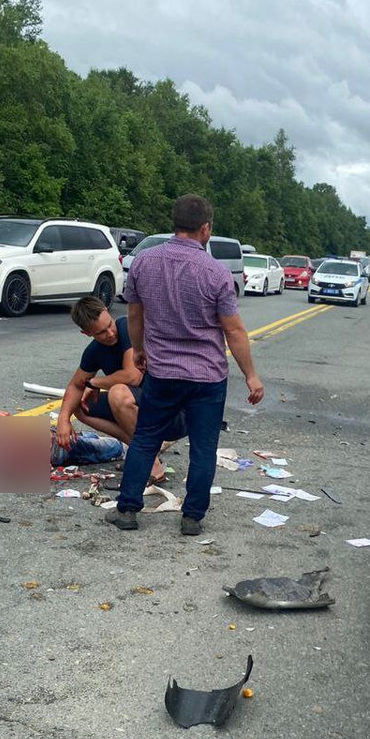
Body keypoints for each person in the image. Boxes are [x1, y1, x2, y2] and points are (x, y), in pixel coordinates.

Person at [110, 194, 263, 534]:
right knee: (204, 447)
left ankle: (127, 510)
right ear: (205, 228)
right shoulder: (217, 273)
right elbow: (234, 330)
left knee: (145, 439)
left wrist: (138, 350)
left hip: (162, 372)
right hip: (207, 377)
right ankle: (192, 517)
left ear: (174, 223)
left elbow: (134, 314)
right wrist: (251, 376)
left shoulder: (144, 263)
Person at [55, 296, 180, 484]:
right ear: (86, 333)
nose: (110, 333)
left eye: (109, 325)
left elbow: (133, 376)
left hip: (172, 407)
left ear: (107, 311)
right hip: (144, 408)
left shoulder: (126, 327)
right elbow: (75, 385)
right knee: (81, 407)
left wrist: (94, 383)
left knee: (118, 393)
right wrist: (63, 420)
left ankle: (152, 465)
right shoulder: (94, 351)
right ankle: (146, 448)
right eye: (101, 332)